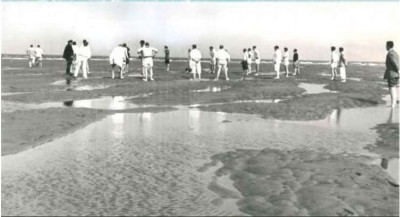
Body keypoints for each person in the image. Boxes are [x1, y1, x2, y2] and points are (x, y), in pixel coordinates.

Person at [384, 41, 399, 107]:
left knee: (392, 88)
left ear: (388, 46)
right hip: (396, 74)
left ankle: (393, 104)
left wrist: (398, 69)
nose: (385, 47)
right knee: (394, 88)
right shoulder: (396, 53)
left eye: (386, 45)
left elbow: (395, 63)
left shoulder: (390, 53)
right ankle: (394, 103)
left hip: (392, 74)